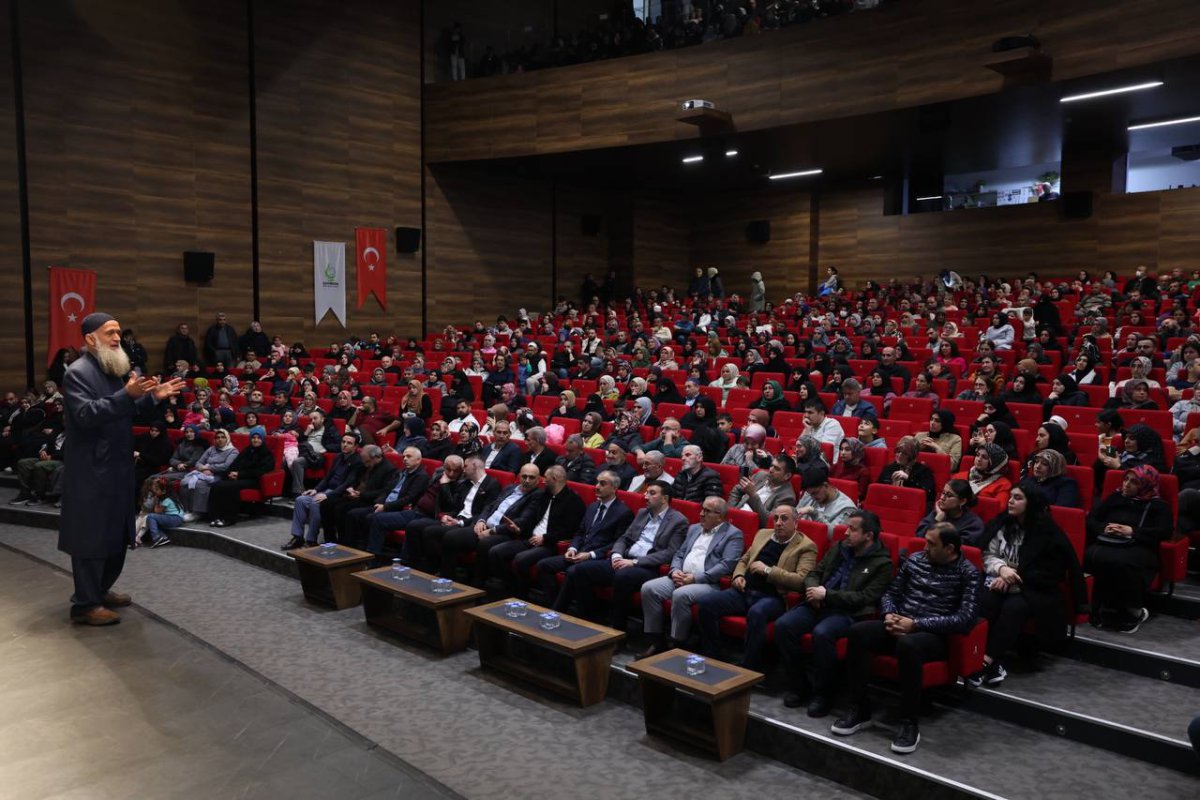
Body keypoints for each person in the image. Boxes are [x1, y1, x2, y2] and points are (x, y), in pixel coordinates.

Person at [58, 312, 185, 625]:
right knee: (91, 537)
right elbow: (87, 415)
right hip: (91, 470)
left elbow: (122, 410)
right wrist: (125, 395)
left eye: (117, 332)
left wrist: (151, 398)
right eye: (109, 333)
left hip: (117, 466)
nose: (117, 338)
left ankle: (100, 589)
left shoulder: (112, 369)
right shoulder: (78, 373)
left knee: (116, 532)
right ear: (90, 339)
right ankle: (85, 604)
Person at [831, 522, 980, 755]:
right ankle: (860, 708)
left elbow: (966, 618)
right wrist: (889, 613)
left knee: (908, 644)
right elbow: (891, 592)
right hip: (902, 622)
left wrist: (917, 625)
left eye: (931, 543)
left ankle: (909, 722)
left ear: (950, 549)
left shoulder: (968, 572)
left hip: (933, 635)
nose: (925, 547)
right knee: (858, 632)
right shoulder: (915, 560)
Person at [775, 510, 892, 717]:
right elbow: (815, 573)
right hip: (817, 602)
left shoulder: (882, 564)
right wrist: (813, 591)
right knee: (784, 625)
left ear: (869, 536)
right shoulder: (839, 547)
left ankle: (824, 694)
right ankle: (799, 685)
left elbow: (864, 598)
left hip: (847, 612)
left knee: (823, 633)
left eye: (852, 529)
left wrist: (827, 595)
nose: (845, 532)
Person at [969, 484, 1088, 687]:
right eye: (1011, 497)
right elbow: (988, 554)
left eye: (1018, 498)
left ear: (1030, 503)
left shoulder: (1048, 533)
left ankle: (986, 660)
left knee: (1013, 607)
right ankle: (977, 655)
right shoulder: (1003, 523)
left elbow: (1051, 573)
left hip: (1037, 589)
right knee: (986, 600)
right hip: (1001, 579)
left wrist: (1012, 579)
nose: (1011, 501)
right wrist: (1002, 570)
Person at [695, 505, 817, 669]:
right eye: (775, 518)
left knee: (757, 613)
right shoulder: (763, 534)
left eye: (784, 518)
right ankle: (714, 655)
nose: (778, 523)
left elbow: (801, 581)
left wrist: (767, 570)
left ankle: (749, 666)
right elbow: (744, 560)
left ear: (796, 523)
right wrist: (738, 576)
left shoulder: (806, 546)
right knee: (706, 603)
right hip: (743, 592)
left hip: (773, 597)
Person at [636, 497, 744, 658]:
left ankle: (677, 645)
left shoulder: (733, 534)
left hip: (708, 583)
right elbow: (679, 553)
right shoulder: (694, 528)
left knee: (681, 594)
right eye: (702, 509)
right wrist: (674, 571)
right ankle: (657, 642)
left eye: (707, 511)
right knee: (649, 588)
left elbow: (726, 565)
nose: (701, 514)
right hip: (680, 576)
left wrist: (695, 578)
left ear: (720, 516)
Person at [1086, 466, 1173, 633]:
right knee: (1090, 555)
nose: (1126, 485)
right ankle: (1096, 607)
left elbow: (1164, 532)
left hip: (1140, 547)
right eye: (1125, 480)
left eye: (1133, 482)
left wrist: (1132, 531)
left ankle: (1133, 611)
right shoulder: (1115, 497)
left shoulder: (1159, 506)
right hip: (1108, 542)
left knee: (1123, 562)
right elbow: (1091, 520)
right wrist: (1104, 528)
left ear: (1146, 485)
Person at [534, 471, 634, 603]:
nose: (597, 486)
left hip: (597, 558)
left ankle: (559, 611)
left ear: (614, 488)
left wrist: (591, 554)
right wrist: (573, 548)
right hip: (578, 553)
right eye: (597, 482)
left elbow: (617, 543)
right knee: (543, 565)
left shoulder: (623, 512)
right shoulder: (592, 507)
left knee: (573, 571)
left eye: (602, 484)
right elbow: (580, 532)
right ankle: (550, 602)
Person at [487, 465, 586, 597]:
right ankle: (510, 587)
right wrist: (519, 528)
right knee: (496, 552)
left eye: (546, 478)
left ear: (555, 479)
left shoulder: (573, 501)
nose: (543, 481)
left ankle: (522, 595)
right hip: (530, 538)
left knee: (521, 559)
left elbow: (569, 530)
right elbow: (532, 518)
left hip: (550, 544)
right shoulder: (544, 495)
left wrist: (545, 538)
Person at [439, 463, 543, 584]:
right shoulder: (510, 488)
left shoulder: (537, 495)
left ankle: (477, 585)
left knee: (484, 543)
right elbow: (490, 506)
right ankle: (446, 580)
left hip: (505, 532)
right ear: (519, 476)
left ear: (539, 479)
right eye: (524, 476)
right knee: (450, 537)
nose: (527, 480)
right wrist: (481, 520)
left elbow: (523, 521)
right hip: (485, 526)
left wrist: (494, 530)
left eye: (531, 477)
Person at [282, 433, 364, 550]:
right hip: (326, 490)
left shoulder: (357, 462)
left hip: (340, 494)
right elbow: (327, 478)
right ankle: (298, 537)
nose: (345, 445)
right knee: (300, 500)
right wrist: (315, 489)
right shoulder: (338, 457)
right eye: (343, 442)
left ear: (355, 447)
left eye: (349, 443)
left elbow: (348, 483)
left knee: (316, 502)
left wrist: (327, 495)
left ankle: (311, 540)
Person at [205, 426, 275, 527]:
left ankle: (228, 518)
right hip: (240, 477)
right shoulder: (247, 450)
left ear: (262, 439)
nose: (255, 440)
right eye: (253, 437)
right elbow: (235, 464)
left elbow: (260, 471)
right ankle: (214, 517)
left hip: (254, 480)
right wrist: (229, 473)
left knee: (229, 487)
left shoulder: (266, 453)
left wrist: (239, 474)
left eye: (258, 438)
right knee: (217, 485)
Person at [176, 428, 238, 520]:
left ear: (227, 438)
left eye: (222, 437)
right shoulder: (211, 449)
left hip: (219, 475)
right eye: (217, 437)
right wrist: (202, 469)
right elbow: (198, 462)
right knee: (184, 482)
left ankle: (198, 512)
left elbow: (226, 466)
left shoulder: (233, 451)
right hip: (203, 473)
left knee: (201, 484)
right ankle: (186, 509)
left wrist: (209, 468)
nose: (220, 439)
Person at [727, 455, 798, 526]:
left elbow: (769, 522)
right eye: (771, 466)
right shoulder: (761, 475)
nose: (771, 470)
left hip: (751, 526)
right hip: (735, 516)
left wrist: (753, 495)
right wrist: (732, 511)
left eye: (776, 469)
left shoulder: (787, 497)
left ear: (787, 476)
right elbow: (737, 490)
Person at [877, 436, 938, 509]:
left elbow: (929, 495)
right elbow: (878, 489)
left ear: (913, 456)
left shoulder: (923, 470)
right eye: (898, 451)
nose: (899, 455)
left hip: (911, 507)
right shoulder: (889, 468)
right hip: (889, 504)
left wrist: (908, 479)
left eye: (904, 454)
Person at [795, 466, 858, 532]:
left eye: (815, 493)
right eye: (810, 494)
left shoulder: (847, 508)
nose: (813, 497)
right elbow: (795, 513)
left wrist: (814, 513)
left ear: (825, 485)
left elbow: (834, 535)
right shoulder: (809, 494)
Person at [135, 476, 184, 549]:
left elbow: (157, 511)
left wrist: (156, 500)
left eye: (156, 490)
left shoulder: (166, 500)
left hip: (174, 518)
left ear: (164, 491)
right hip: (174, 518)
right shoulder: (168, 497)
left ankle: (156, 537)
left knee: (151, 516)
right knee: (154, 522)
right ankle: (163, 537)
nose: (154, 491)